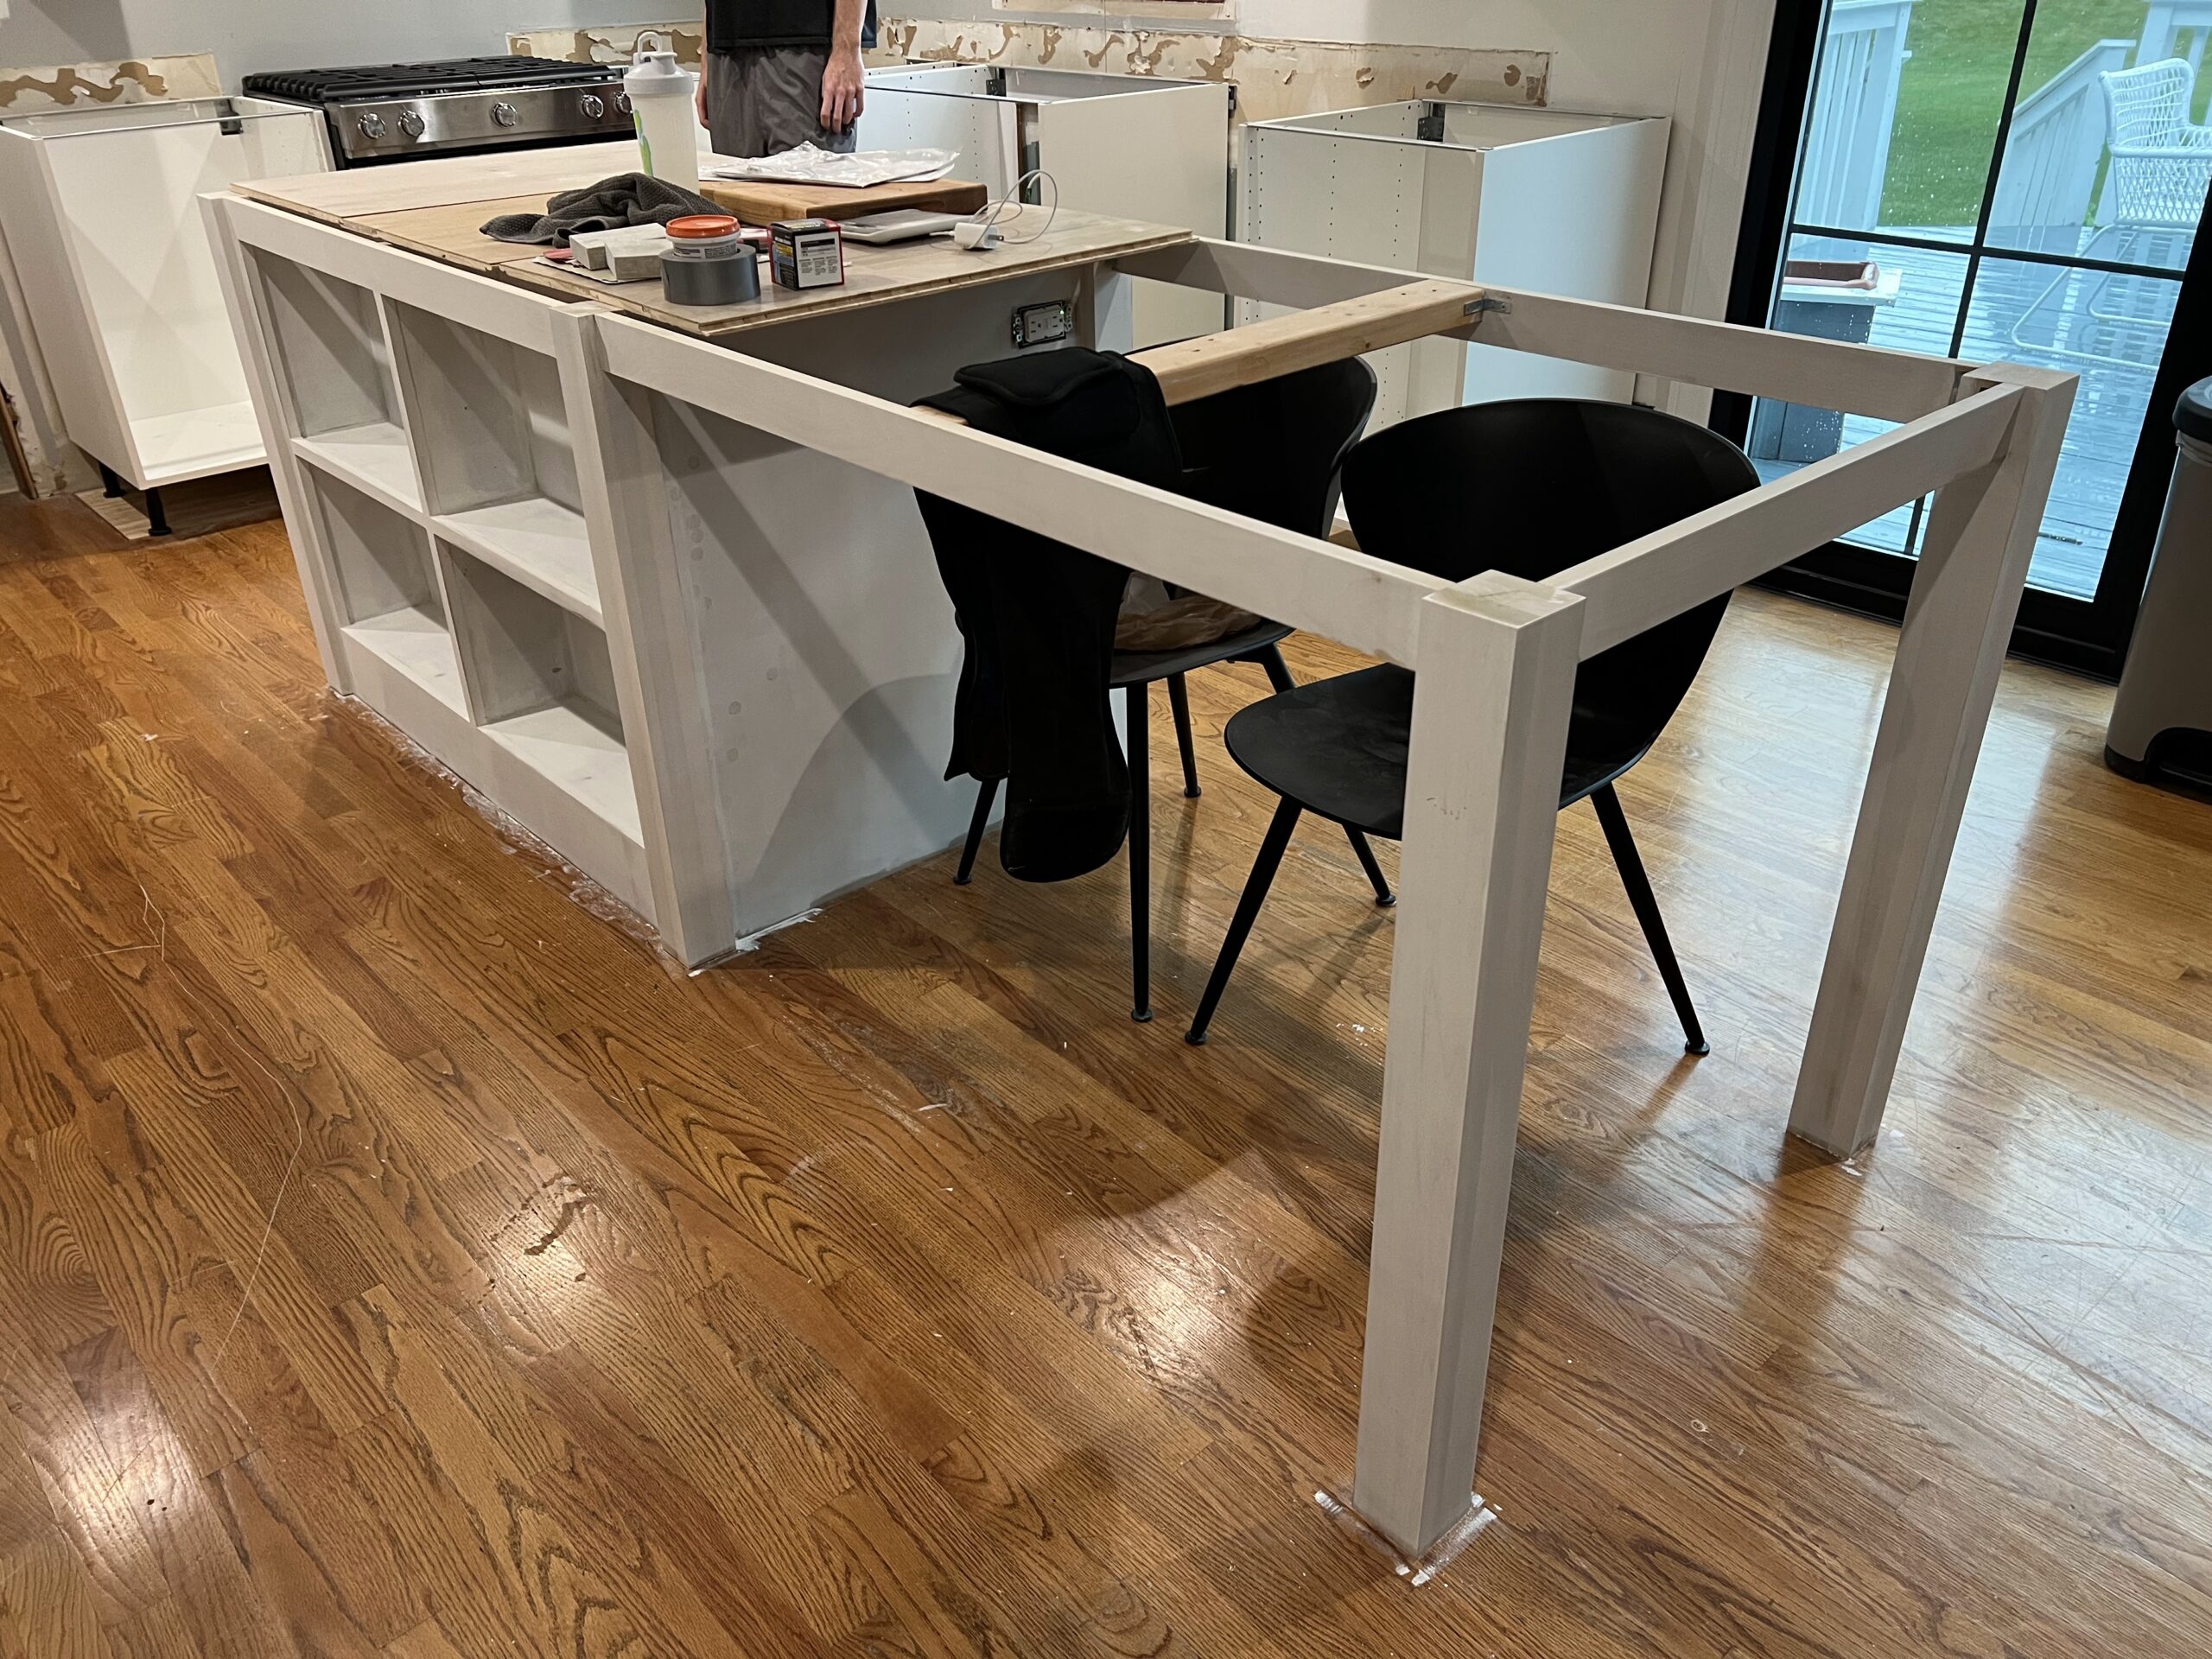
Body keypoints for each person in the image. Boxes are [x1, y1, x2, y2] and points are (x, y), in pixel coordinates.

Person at [696, 0, 876, 159]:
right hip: (726, 50)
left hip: (807, 44)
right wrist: (706, 58)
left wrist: (847, 49)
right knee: (733, 193)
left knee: (811, 189)